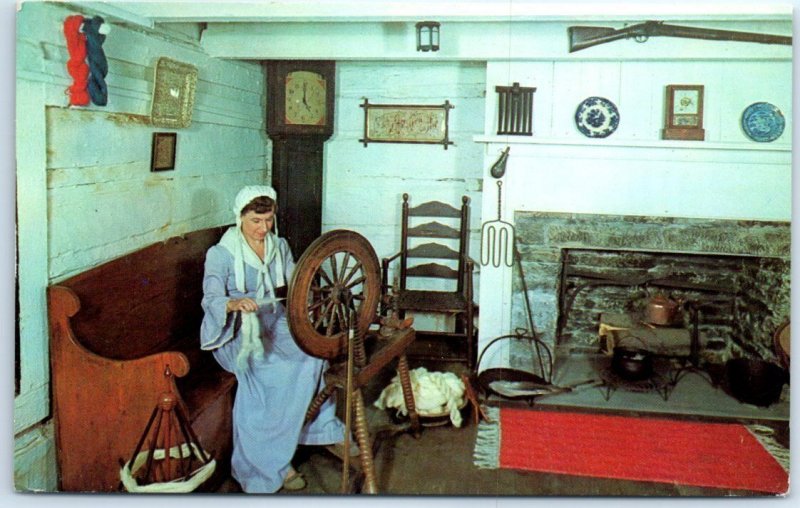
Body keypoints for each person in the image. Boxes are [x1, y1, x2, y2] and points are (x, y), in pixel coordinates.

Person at [200, 185, 348, 493]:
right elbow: (210, 297)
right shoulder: (221, 254)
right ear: (239, 217)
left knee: (313, 354)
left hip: (274, 319)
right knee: (274, 372)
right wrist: (234, 303)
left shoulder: (278, 245)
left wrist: (315, 290)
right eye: (255, 221)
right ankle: (266, 464)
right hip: (237, 330)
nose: (262, 228)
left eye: (268, 220)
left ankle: (316, 431)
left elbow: (296, 282)